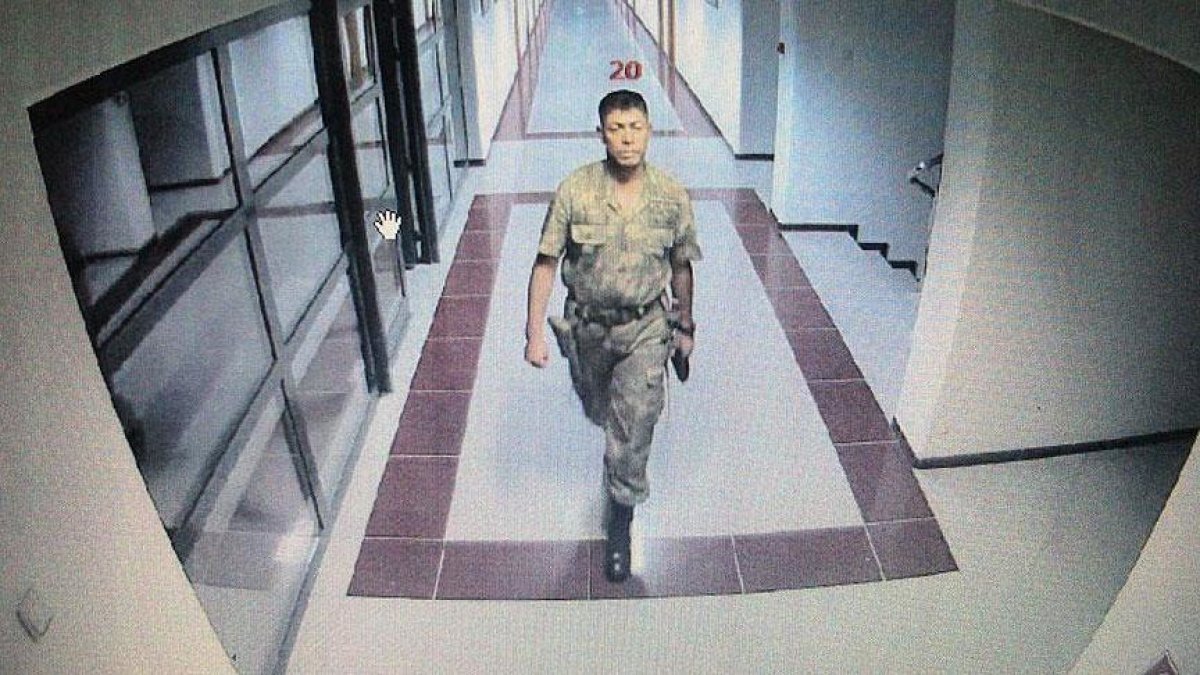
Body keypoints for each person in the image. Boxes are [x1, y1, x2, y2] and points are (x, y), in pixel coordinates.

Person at [523, 89, 701, 582]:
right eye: (616, 129)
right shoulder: (575, 191)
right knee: (600, 410)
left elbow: (681, 266)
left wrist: (685, 327)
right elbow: (545, 263)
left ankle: (621, 518)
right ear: (600, 134)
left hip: (646, 328)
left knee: (634, 423)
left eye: (635, 128)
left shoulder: (671, 196)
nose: (627, 139)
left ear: (649, 131)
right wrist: (534, 333)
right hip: (587, 330)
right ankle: (618, 453)